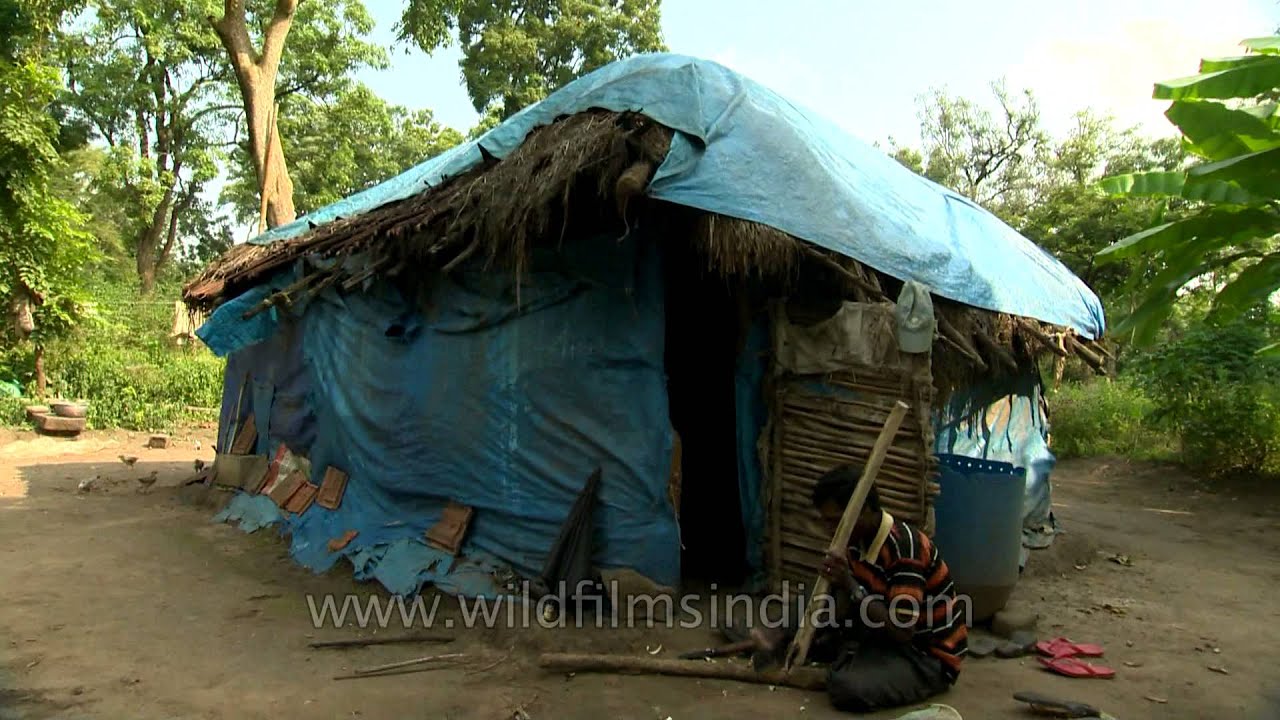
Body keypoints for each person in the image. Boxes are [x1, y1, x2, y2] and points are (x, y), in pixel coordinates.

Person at [758, 464, 968, 712]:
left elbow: (902, 631)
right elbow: (845, 601)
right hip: (881, 636)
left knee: (847, 688)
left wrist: (848, 583)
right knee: (815, 594)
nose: (830, 530)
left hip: (925, 656)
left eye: (836, 521)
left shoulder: (904, 548)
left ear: (865, 510)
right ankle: (786, 639)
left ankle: (845, 661)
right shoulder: (856, 540)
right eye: (826, 521)